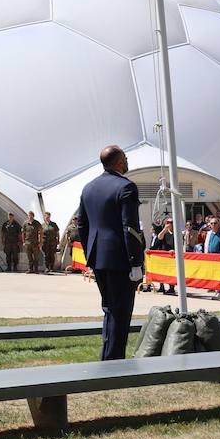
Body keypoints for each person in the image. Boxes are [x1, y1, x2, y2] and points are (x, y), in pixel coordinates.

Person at [75, 145, 144, 361]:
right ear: (118, 162)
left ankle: (108, 357)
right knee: (121, 312)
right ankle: (114, 362)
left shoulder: (89, 188)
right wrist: (135, 262)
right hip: (121, 259)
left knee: (110, 309)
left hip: (99, 258)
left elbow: (82, 226)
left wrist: (91, 255)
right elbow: (130, 228)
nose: (127, 161)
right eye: (125, 157)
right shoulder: (126, 187)